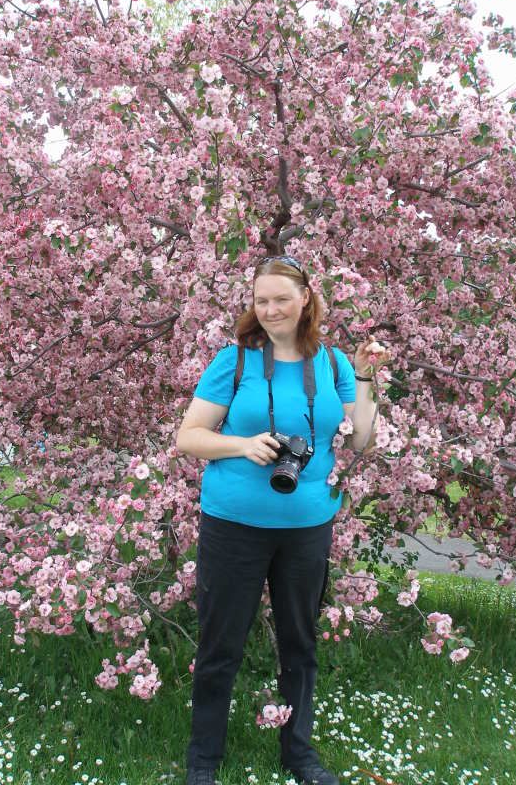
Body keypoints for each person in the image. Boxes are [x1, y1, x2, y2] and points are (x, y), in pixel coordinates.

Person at [176, 255, 387, 785]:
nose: (270, 310)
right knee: (220, 642)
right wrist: (243, 444)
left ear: (306, 298)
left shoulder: (335, 364)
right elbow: (189, 437)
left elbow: (361, 439)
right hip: (233, 525)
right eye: (261, 300)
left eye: (281, 299)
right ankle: (204, 757)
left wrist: (364, 379)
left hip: (307, 527)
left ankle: (298, 753)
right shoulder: (236, 361)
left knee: (300, 641)